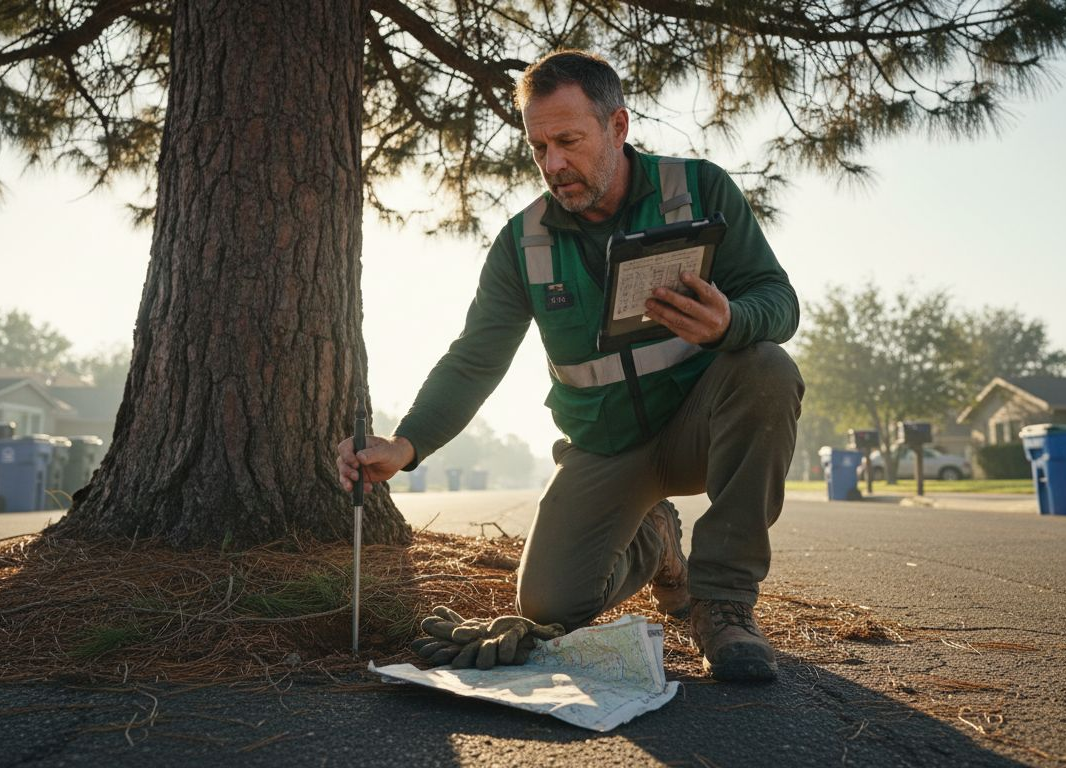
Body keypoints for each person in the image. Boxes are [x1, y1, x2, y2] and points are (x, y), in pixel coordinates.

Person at [336, 50, 803, 682]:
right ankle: (656, 540)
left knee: (767, 368)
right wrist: (406, 443)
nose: (554, 163)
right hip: (606, 449)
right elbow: (476, 357)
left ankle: (723, 606)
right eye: (539, 147)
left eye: (569, 140)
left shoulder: (698, 189)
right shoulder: (521, 243)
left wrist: (731, 323)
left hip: (702, 428)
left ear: (617, 127)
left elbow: (777, 299)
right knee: (549, 606)